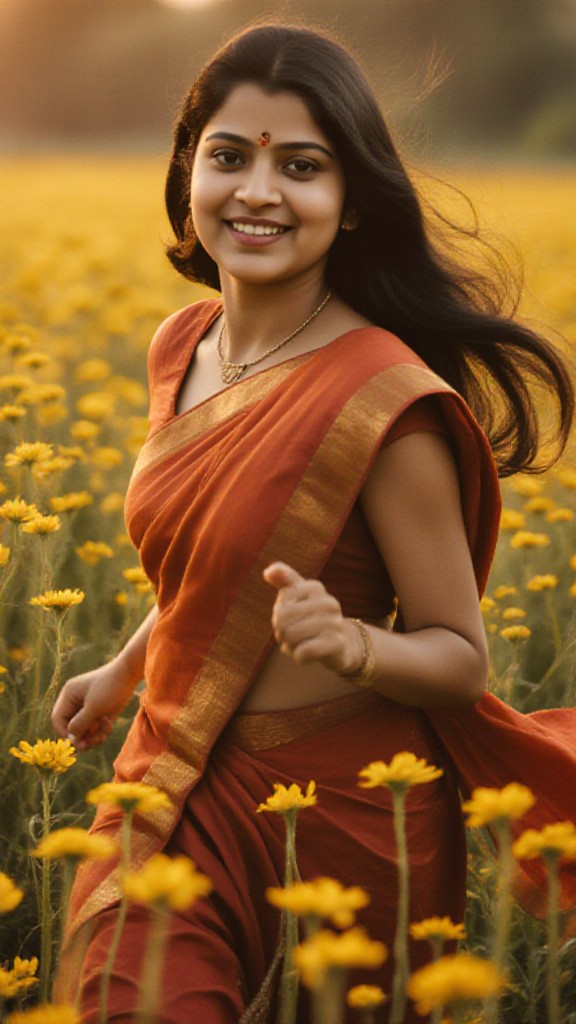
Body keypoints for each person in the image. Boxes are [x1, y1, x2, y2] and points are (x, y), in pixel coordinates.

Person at [52, 23, 576, 1024]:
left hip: (348, 811)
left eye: (301, 166)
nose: (257, 191)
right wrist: (125, 670)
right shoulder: (183, 345)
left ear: (348, 206)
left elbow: (460, 658)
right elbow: (216, 564)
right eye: (230, 155)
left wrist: (354, 644)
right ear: (188, 170)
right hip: (178, 779)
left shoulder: (387, 402)